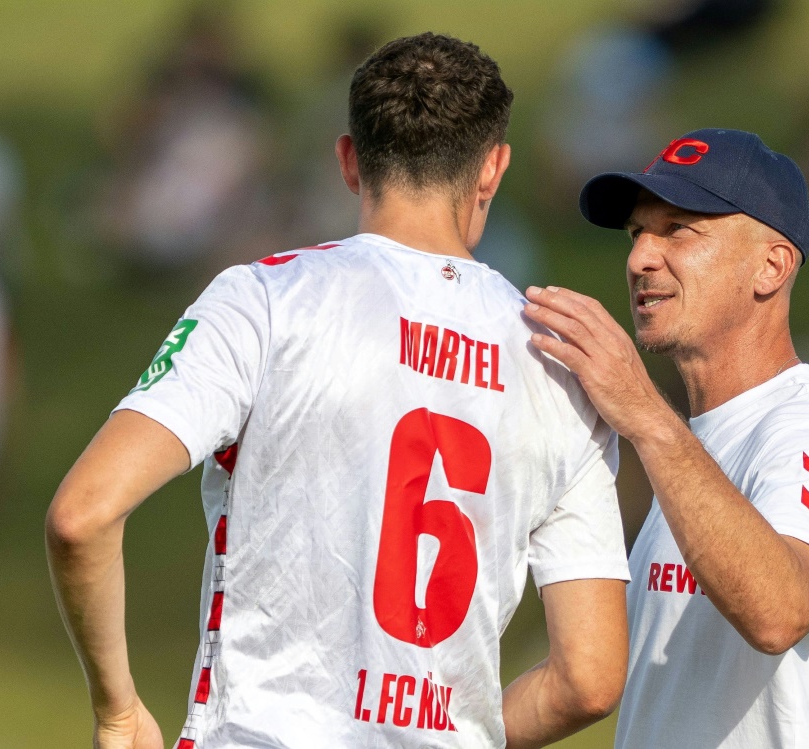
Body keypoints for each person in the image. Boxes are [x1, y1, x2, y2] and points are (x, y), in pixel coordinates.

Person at [46, 33, 630, 749]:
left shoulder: (265, 299)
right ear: (494, 169)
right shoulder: (564, 366)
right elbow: (591, 677)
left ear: (350, 161)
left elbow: (83, 514)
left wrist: (118, 708)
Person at [524, 128, 809, 748]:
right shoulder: (693, 453)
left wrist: (645, 414)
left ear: (771, 266)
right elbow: (589, 685)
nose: (640, 257)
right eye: (636, 232)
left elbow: (780, 610)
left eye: (678, 230)